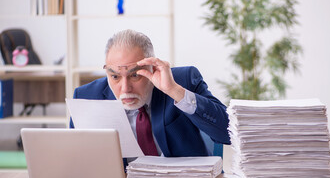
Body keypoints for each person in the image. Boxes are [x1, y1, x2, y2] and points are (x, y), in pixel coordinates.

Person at [70, 29, 230, 157]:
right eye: (115, 77)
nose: (125, 89)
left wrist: (174, 91)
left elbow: (228, 134)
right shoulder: (87, 97)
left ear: (152, 67)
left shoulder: (183, 81)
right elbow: (75, 158)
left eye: (135, 75)